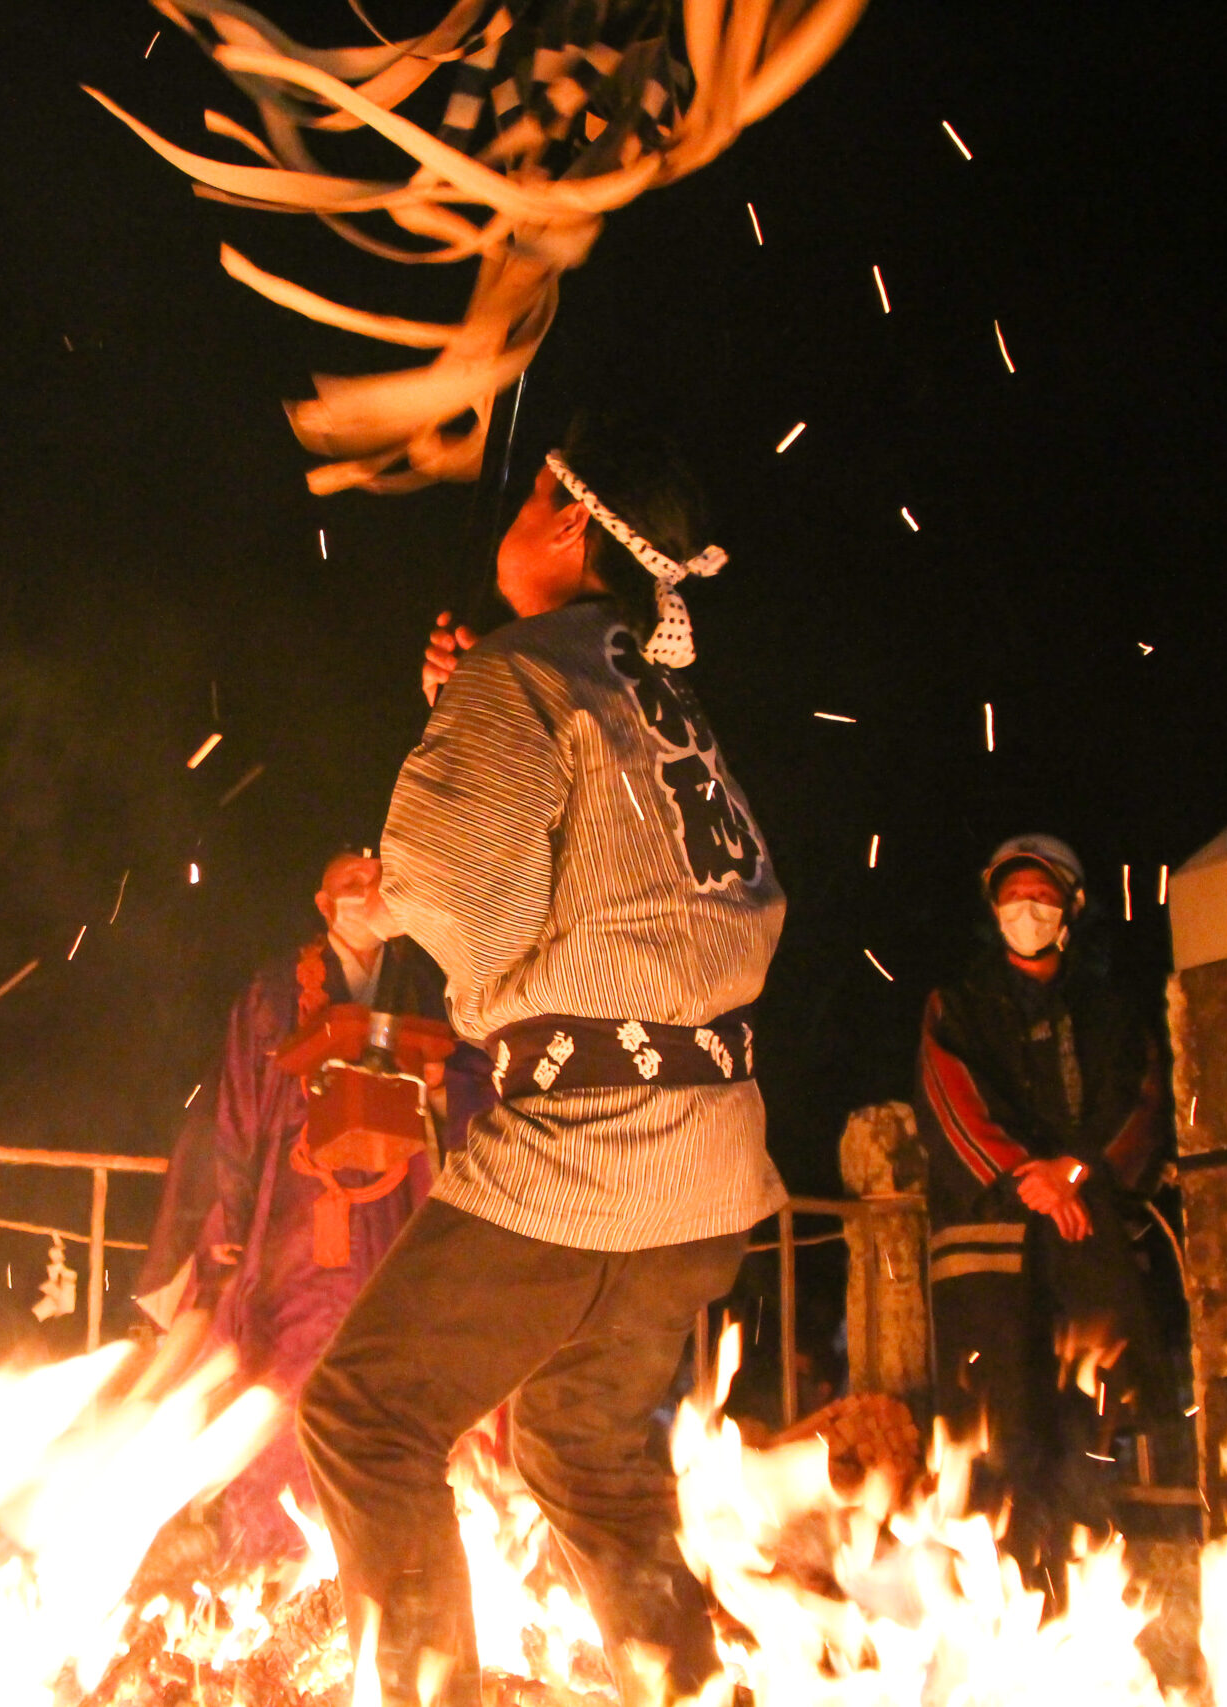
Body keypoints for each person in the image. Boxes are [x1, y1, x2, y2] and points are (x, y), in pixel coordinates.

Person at [299, 421, 784, 1707]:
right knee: (585, 1452)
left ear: (569, 525)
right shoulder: (655, 693)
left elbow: (459, 896)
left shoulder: (526, 676)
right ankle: (686, 1686)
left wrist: (465, 725)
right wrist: (470, 708)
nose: (510, 515)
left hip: (590, 1150)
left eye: (531, 495)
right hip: (713, 1166)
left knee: (366, 1418)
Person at [136, 848, 486, 1566]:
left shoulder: (425, 986)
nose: (370, 894)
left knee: (386, 1382)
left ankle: (386, 1562)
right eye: (353, 886)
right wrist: (223, 1225)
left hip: (395, 1229)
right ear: (324, 907)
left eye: (381, 882)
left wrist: (441, 1079)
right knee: (287, 1377)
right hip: (296, 1225)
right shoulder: (274, 992)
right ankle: (271, 1569)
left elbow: (473, 1089)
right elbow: (232, 1113)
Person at [915, 834, 1170, 1568]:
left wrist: (1076, 1170)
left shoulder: (1110, 1008)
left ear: (1072, 908)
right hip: (987, 1247)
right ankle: (1000, 1599)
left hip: (1087, 1237)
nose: (1026, 909)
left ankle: (1089, 1587)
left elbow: (1141, 1100)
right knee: (998, 1431)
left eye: (1043, 896)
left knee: (1091, 1425)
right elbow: (951, 1099)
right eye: (1013, 896)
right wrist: (1026, 1171)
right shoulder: (957, 1005)